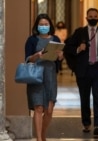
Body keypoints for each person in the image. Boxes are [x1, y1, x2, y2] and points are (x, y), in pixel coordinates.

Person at [64, 8, 98, 136]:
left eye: (95, 16)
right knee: (84, 98)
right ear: (86, 18)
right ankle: (86, 123)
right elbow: (67, 47)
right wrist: (78, 49)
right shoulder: (79, 32)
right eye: (90, 16)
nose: (92, 18)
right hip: (83, 71)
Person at [24, 13, 63, 141]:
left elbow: (59, 60)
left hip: (50, 76)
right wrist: (37, 55)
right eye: (41, 24)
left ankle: (43, 133)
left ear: (50, 25)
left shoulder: (55, 39)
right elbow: (27, 59)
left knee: (49, 110)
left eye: (46, 24)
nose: (44, 26)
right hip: (36, 76)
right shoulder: (32, 40)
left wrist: (60, 56)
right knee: (38, 107)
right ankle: (39, 138)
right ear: (37, 26)